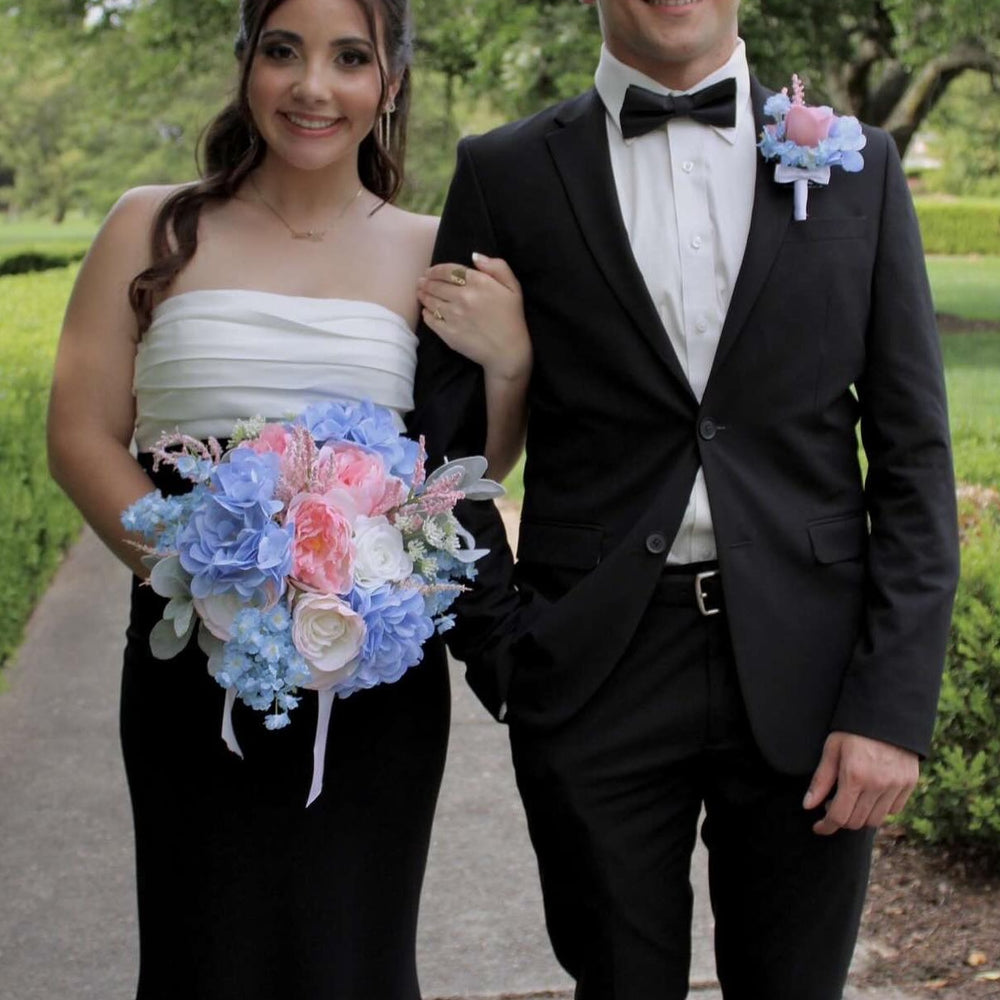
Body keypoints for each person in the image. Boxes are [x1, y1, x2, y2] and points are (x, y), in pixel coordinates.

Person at [412, 0, 960, 997]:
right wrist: (503, 651)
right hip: (596, 671)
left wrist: (891, 705)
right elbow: (440, 458)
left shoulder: (858, 167)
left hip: (810, 667)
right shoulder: (505, 172)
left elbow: (915, 455)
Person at [46, 0, 529, 997]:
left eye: (349, 58)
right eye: (283, 52)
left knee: (354, 954)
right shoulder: (150, 225)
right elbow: (80, 435)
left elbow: (469, 472)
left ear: (388, 83)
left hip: (374, 672)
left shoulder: (431, 250)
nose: (313, 86)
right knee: (201, 949)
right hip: (193, 657)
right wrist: (205, 577)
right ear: (246, 64)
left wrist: (513, 364)